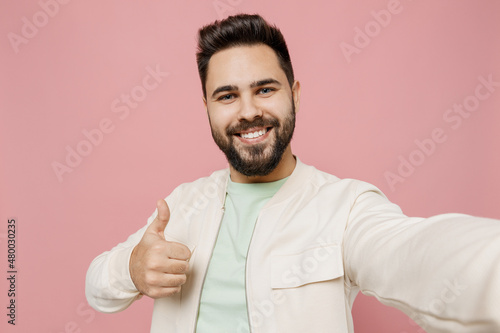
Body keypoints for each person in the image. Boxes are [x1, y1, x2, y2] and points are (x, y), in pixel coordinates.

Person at [85, 14, 500, 333]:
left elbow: (415, 254)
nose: (249, 111)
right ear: (207, 109)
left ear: (294, 95)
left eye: (265, 89)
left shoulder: (346, 207)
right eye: (227, 96)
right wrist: (132, 269)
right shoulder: (180, 206)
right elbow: (96, 286)